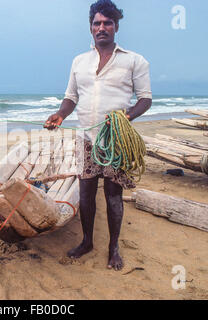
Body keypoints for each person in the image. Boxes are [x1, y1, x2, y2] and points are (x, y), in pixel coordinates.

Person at [44, 0, 152, 270]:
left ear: (116, 26)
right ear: (90, 27)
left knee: (113, 195)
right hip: (87, 139)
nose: (101, 28)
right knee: (86, 192)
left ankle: (113, 248)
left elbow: (145, 100)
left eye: (107, 23)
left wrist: (124, 118)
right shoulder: (80, 61)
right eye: (97, 23)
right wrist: (61, 114)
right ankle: (87, 241)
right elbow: (71, 96)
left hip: (116, 140)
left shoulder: (134, 60)